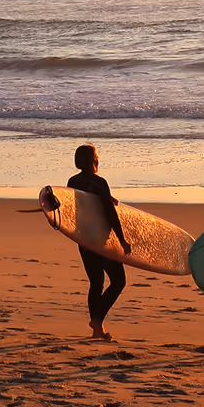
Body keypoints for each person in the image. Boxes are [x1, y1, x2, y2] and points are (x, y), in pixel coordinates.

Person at [67, 144, 131, 341]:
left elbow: (79, 204)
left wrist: (106, 197)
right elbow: (110, 214)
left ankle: (98, 330)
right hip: (101, 238)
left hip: (83, 237)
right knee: (119, 281)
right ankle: (97, 320)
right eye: (97, 156)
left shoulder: (73, 181)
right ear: (93, 160)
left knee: (96, 283)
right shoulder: (100, 182)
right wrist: (122, 239)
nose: (99, 158)